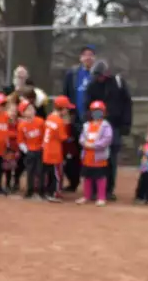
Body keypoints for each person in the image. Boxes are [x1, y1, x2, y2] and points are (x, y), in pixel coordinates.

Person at [84, 59, 132, 201]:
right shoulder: (92, 86)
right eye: (96, 76)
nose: (98, 78)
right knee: (94, 157)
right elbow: (87, 105)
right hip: (96, 126)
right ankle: (94, 189)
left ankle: (108, 189)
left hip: (114, 126)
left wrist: (126, 124)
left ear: (106, 73)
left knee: (110, 159)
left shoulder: (118, 83)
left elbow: (127, 104)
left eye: (100, 75)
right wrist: (88, 121)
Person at [62, 45, 97, 191]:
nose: (88, 57)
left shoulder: (98, 74)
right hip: (76, 118)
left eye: (91, 55)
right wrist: (67, 113)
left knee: (92, 152)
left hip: (93, 120)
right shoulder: (73, 74)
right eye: (85, 55)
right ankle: (73, 182)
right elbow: (65, 94)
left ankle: (94, 186)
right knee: (73, 153)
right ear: (81, 58)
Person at [77, 100, 113, 206]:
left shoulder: (106, 126)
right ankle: (86, 196)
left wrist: (94, 146)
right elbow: (82, 138)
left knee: (100, 177)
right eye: (94, 111)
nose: (97, 113)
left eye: (99, 111)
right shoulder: (87, 125)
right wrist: (85, 144)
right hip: (87, 156)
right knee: (87, 177)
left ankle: (101, 197)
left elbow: (107, 139)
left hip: (99, 157)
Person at [41, 96, 75, 203]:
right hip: (55, 152)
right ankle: (54, 193)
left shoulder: (50, 117)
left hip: (46, 150)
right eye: (66, 108)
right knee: (56, 174)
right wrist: (71, 138)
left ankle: (47, 192)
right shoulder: (59, 121)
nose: (67, 111)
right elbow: (63, 137)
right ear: (62, 108)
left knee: (49, 174)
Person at [16, 99, 45, 199]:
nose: (31, 111)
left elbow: (45, 136)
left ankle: (41, 190)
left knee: (40, 171)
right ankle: (30, 190)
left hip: (40, 150)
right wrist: (26, 150)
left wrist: (43, 146)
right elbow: (20, 140)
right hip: (30, 151)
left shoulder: (40, 121)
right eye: (27, 109)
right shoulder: (22, 125)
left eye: (31, 108)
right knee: (30, 171)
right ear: (23, 113)